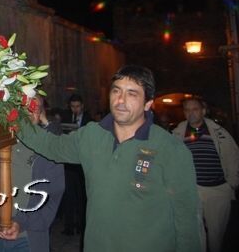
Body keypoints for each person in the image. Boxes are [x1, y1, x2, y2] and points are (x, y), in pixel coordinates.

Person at [17, 65, 202, 252]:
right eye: (116, 91)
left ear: (147, 104)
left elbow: (186, 219)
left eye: (132, 94)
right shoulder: (92, 135)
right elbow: (52, 146)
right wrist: (15, 116)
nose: (121, 100)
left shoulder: (170, 149)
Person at [0, 96, 65, 252]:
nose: (29, 113)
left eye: (35, 109)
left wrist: (22, 222)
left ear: (41, 114)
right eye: (24, 108)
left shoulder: (48, 151)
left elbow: (52, 197)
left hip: (27, 237)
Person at [173, 97, 239, 252]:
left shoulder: (218, 132)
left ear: (203, 111)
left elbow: (233, 156)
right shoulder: (178, 133)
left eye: (195, 109)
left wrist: (232, 183)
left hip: (217, 190)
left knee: (216, 234)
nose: (191, 113)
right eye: (187, 110)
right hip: (192, 190)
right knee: (194, 233)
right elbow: (171, 159)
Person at [58, 94, 90, 237]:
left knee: (82, 196)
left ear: (82, 106)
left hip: (83, 163)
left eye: (77, 106)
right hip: (69, 163)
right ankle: (69, 226)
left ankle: (82, 225)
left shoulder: (89, 120)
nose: (75, 109)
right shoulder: (66, 118)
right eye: (72, 106)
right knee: (69, 195)